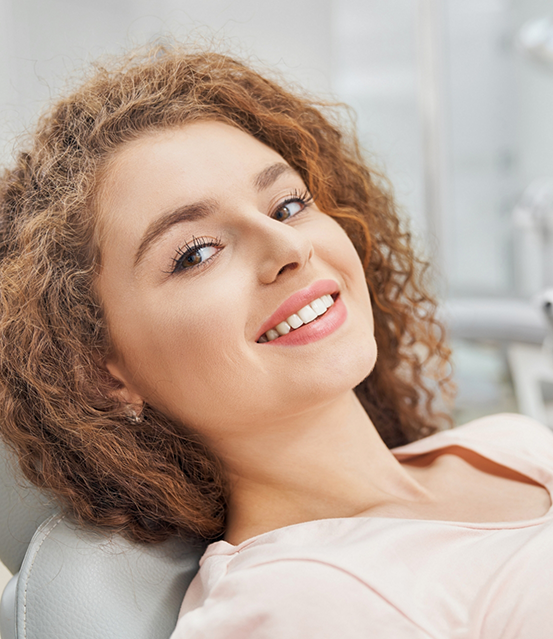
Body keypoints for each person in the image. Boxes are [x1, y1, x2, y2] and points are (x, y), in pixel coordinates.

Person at [0, 42, 552, 638]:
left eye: (288, 205)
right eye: (196, 254)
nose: (290, 248)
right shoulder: (291, 606)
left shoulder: (508, 445)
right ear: (103, 375)